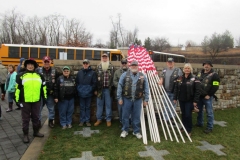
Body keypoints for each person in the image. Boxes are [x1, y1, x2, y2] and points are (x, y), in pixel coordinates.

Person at [15, 58, 47, 143]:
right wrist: (17, 100)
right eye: (28, 64)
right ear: (26, 66)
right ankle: (25, 135)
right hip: (25, 101)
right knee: (25, 119)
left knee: (36, 117)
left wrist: (45, 97)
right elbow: (17, 89)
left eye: (32, 65)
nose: (30, 66)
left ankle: (36, 132)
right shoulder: (21, 76)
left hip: (36, 100)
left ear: (34, 66)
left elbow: (43, 88)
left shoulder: (39, 76)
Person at [117, 60, 149, 139]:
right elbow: (120, 86)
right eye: (132, 65)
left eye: (135, 65)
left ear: (138, 67)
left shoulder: (143, 76)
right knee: (125, 115)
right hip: (126, 99)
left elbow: (146, 88)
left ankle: (136, 131)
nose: (134, 67)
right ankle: (125, 130)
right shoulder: (124, 75)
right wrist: (119, 98)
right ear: (130, 66)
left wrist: (146, 99)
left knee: (136, 116)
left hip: (138, 99)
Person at [173, 63, 201, 136]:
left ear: (191, 69)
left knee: (188, 115)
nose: (187, 69)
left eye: (188, 68)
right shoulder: (180, 78)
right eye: (186, 68)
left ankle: (188, 130)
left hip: (189, 100)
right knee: (183, 114)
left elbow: (198, 91)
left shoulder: (194, 78)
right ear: (183, 69)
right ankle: (183, 127)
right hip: (181, 99)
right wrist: (175, 98)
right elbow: (176, 88)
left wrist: (195, 101)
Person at [196, 60, 220, 134]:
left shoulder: (214, 75)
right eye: (205, 64)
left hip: (207, 97)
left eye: (208, 65)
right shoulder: (200, 73)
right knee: (199, 111)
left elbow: (215, 86)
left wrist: (209, 95)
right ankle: (200, 123)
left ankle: (210, 127)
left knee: (209, 112)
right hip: (200, 96)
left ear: (211, 66)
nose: (206, 66)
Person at [36, 56, 59, 128]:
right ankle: (38, 122)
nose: (46, 63)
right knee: (38, 109)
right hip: (40, 93)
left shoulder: (55, 71)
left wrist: (55, 95)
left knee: (51, 109)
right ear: (42, 62)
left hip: (50, 94)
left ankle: (51, 121)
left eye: (48, 62)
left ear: (50, 62)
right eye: (45, 62)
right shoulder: (37, 70)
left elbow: (57, 84)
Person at [158, 57, 182, 124]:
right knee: (165, 105)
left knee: (172, 105)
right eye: (169, 62)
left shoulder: (178, 70)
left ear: (174, 63)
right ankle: (165, 119)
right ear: (167, 63)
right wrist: (161, 80)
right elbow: (162, 76)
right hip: (165, 91)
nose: (170, 63)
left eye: (171, 62)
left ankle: (171, 118)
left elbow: (180, 80)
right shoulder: (165, 69)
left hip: (174, 92)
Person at [94, 52, 115, 127]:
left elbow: (113, 78)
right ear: (101, 58)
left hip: (108, 90)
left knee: (108, 105)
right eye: (103, 57)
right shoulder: (98, 66)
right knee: (99, 105)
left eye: (106, 57)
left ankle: (108, 120)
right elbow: (95, 79)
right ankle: (99, 119)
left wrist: (112, 88)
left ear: (108, 58)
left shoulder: (112, 67)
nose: (104, 58)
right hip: (100, 90)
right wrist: (95, 89)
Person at [76, 59, 97, 127]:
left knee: (88, 107)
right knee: (82, 107)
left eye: (86, 63)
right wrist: (79, 90)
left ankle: (87, 121)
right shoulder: (79, 73)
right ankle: (82, 121)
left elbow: (94, 83)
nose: (85, 65)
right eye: (84, 63)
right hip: (81, 93)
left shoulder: (92, 73)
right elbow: (77, 83)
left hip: (89, 93)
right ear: (83, 64)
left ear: (89, 64)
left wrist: (90, 89)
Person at [113, 58, 128, 125]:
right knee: (120, 109)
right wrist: (120, 87)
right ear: (120, 64)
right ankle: (121, 121)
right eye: (123, 63)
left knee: (128, 108)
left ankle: (127, 122)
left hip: (128, 94)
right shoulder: (117, 72)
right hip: (120, 93)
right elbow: (114, 81)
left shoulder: (130, 71)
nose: (124, 64)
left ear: (127, 64)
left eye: (125, 63)